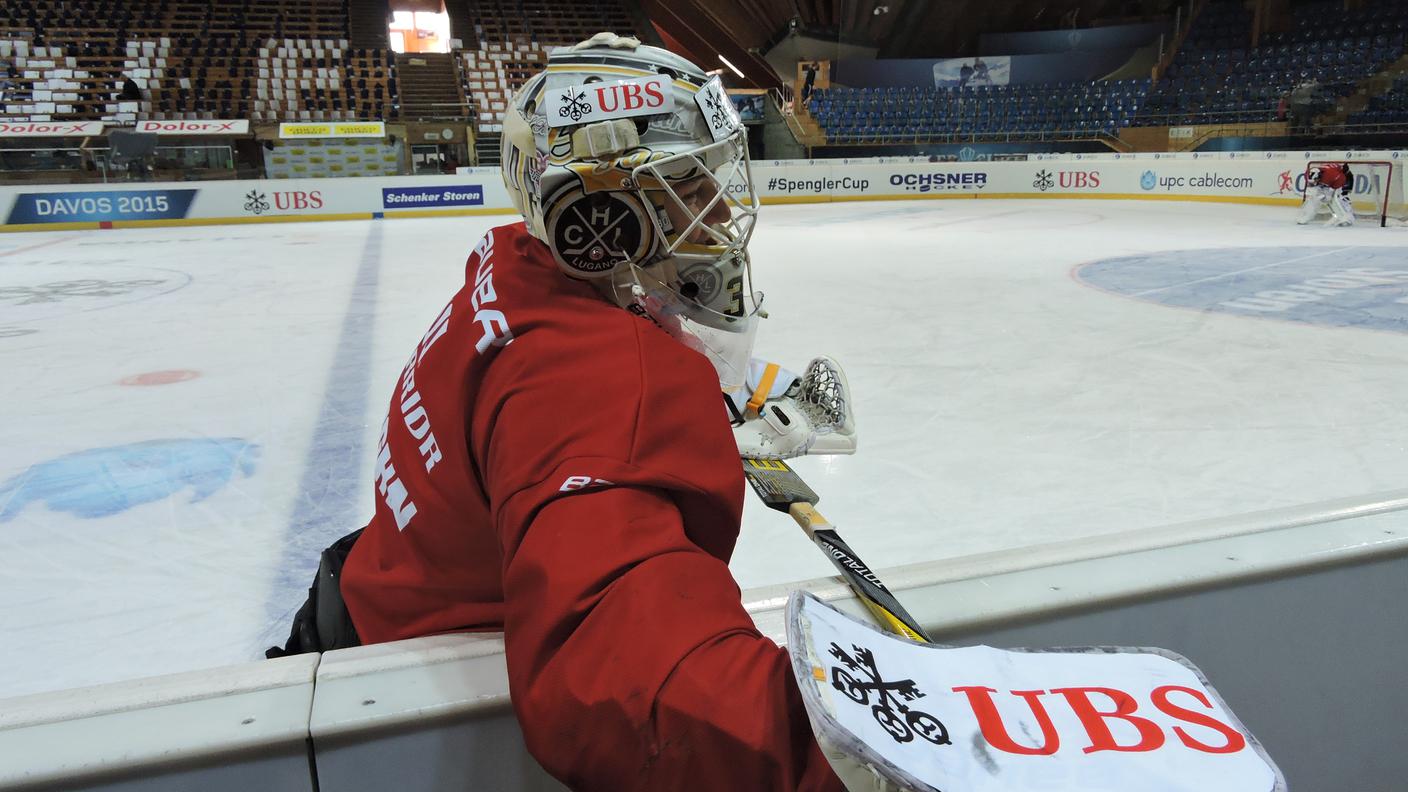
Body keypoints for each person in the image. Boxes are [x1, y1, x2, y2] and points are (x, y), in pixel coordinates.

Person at [268, 33, 853, 791]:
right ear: (606, 205)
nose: (719, 207)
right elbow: (633, 681)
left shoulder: (517, 269)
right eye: (690, 181)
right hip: (405, 733)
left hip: (366, 621)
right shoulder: (604, 379)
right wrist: (852, 760)